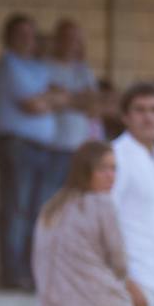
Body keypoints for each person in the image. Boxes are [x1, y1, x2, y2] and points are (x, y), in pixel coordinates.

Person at [33, 141, 148, 306]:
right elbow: (119, 265)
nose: (111, 176)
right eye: (103, 169)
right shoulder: (101, 203)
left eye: (114, 169)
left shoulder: (50, 207)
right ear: (85, 171)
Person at [0, 13, 65, 290]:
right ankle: (13, 275)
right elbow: (32, 105)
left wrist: (48, 99)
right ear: (9, 38)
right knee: (17, 210)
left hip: (41, 148)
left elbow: (61, 96)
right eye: (22, 34)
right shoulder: (8, 65)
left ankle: (32, 272)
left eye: (31, 34)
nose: (28, 39)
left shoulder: (38, 67)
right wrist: (48, 100)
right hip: (16, 146)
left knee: (37, 212)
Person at [111, 82, 154, 306]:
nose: (148, 117)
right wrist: (125, 281)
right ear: (125, 117)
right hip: (131, 284)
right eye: (140, 110)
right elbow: (104, 221)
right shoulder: (116, 156)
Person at [47, 20, 99, 183]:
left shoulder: (84, 69)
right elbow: (50, 100)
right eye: (67, 38)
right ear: (57, 40)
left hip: (79, 146)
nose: (71, 43)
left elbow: (93, 106)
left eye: (76, 39)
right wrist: (79, 98)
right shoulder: (45, 66)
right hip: (52, 146)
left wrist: (65, 97)